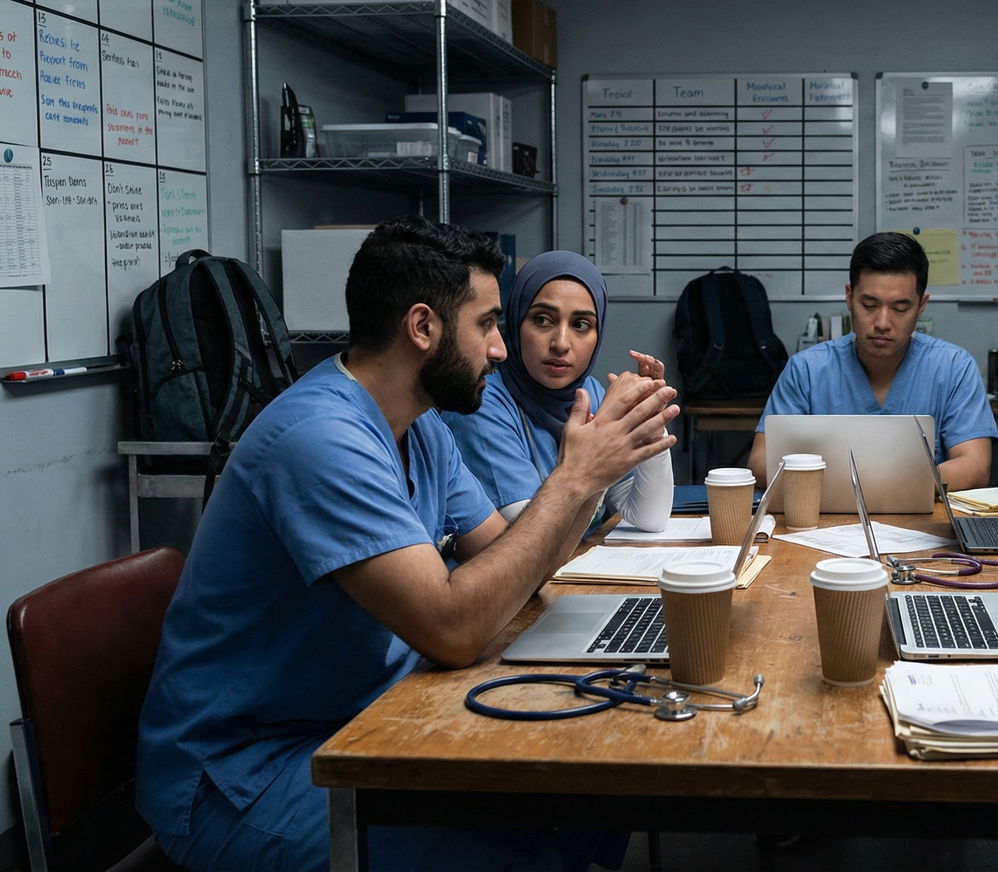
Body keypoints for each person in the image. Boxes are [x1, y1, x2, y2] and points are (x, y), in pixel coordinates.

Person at [136, 217, 677, 872]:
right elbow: (452, 628)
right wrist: (573, 479)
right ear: (423, 327)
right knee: (523, 841)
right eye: (487, 325)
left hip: (365, 714)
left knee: (581, 798)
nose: (501, 350)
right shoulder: (321, 440)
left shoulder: (418, 425)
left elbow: (512, 560)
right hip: (245, 776)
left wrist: (596, 473)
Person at [443, 250, 672, 535]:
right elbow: (533, 540)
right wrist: (602, 437)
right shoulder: (481, 403)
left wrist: (649, 420)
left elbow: (650, 517)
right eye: (542, 320)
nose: (561, 343)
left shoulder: (590, 392)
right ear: (515, 323)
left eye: (580, 325)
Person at [751, 232, 997, 489]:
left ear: (921, 305)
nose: (882, 323)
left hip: (922, 522)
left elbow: (975, 467)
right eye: (869, 305)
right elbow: (760, 463)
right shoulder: (808, 370)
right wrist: (862, 485)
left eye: (900, 308)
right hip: (824, 522)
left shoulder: (953, 367)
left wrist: (873, 484)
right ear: (849, 297)